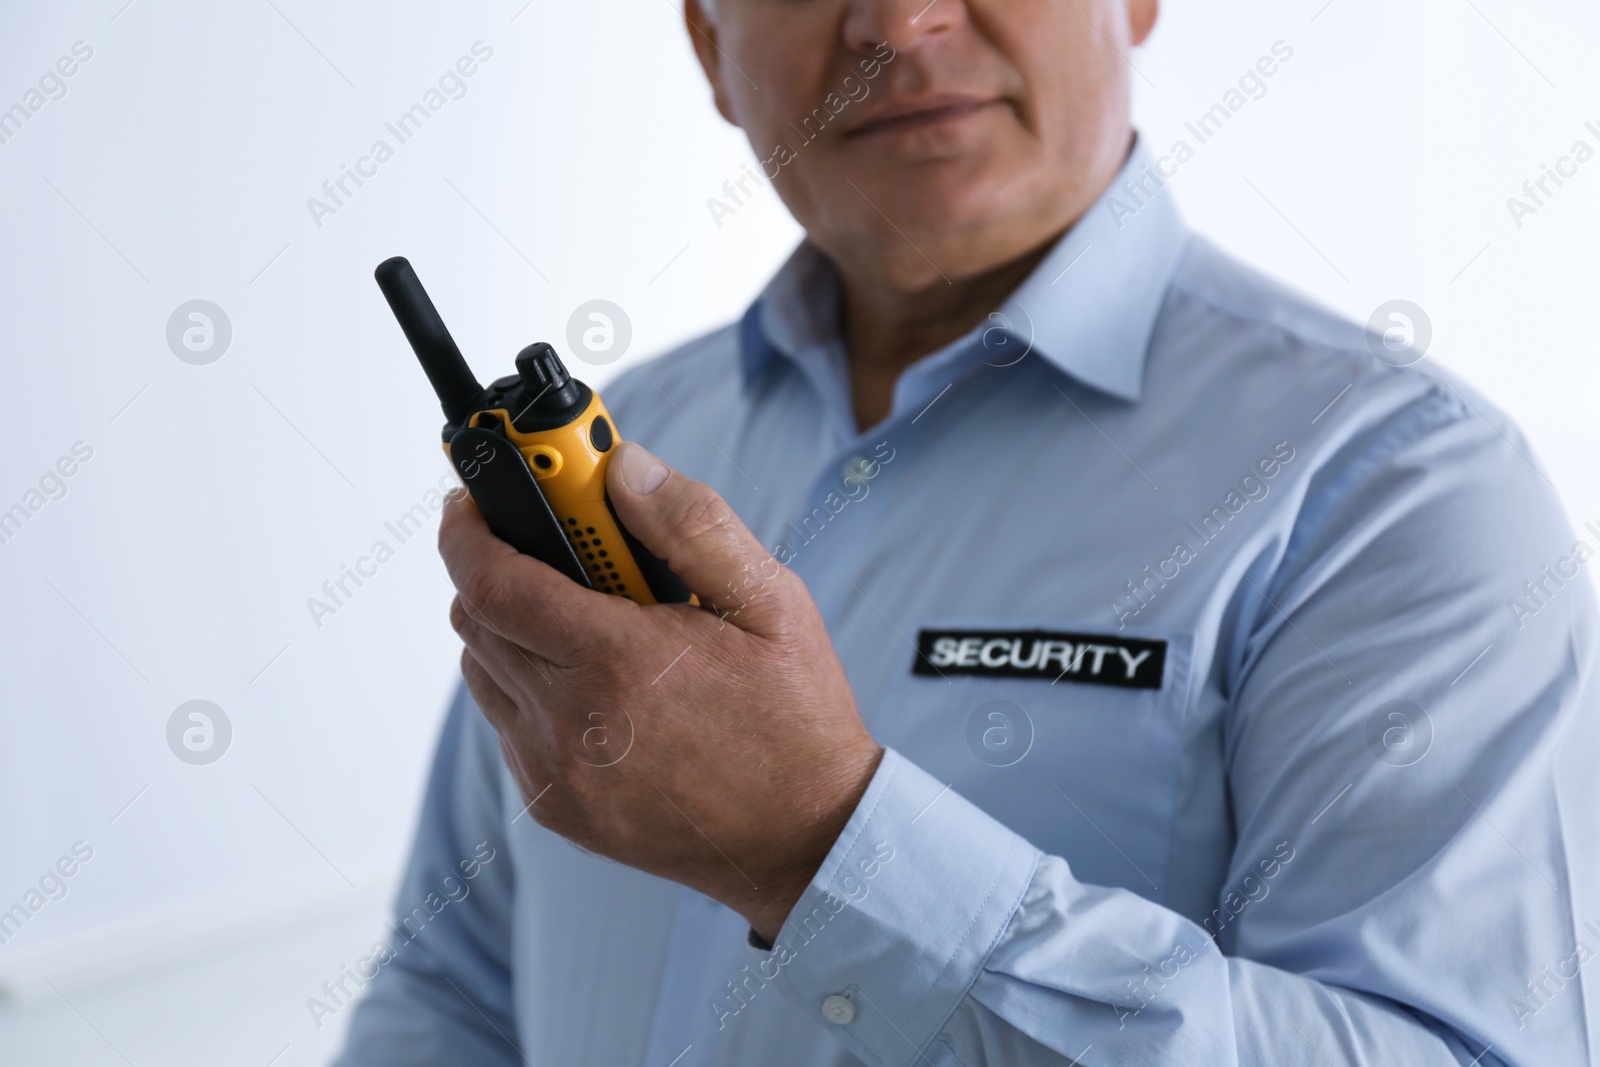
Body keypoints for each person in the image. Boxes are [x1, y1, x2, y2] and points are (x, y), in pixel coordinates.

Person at [335, 1, 1599, 1064]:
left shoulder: (1395, 489)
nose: (897, 22)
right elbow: (448, 987)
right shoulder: (619, 450)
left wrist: (824, 844)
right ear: (708, 47)